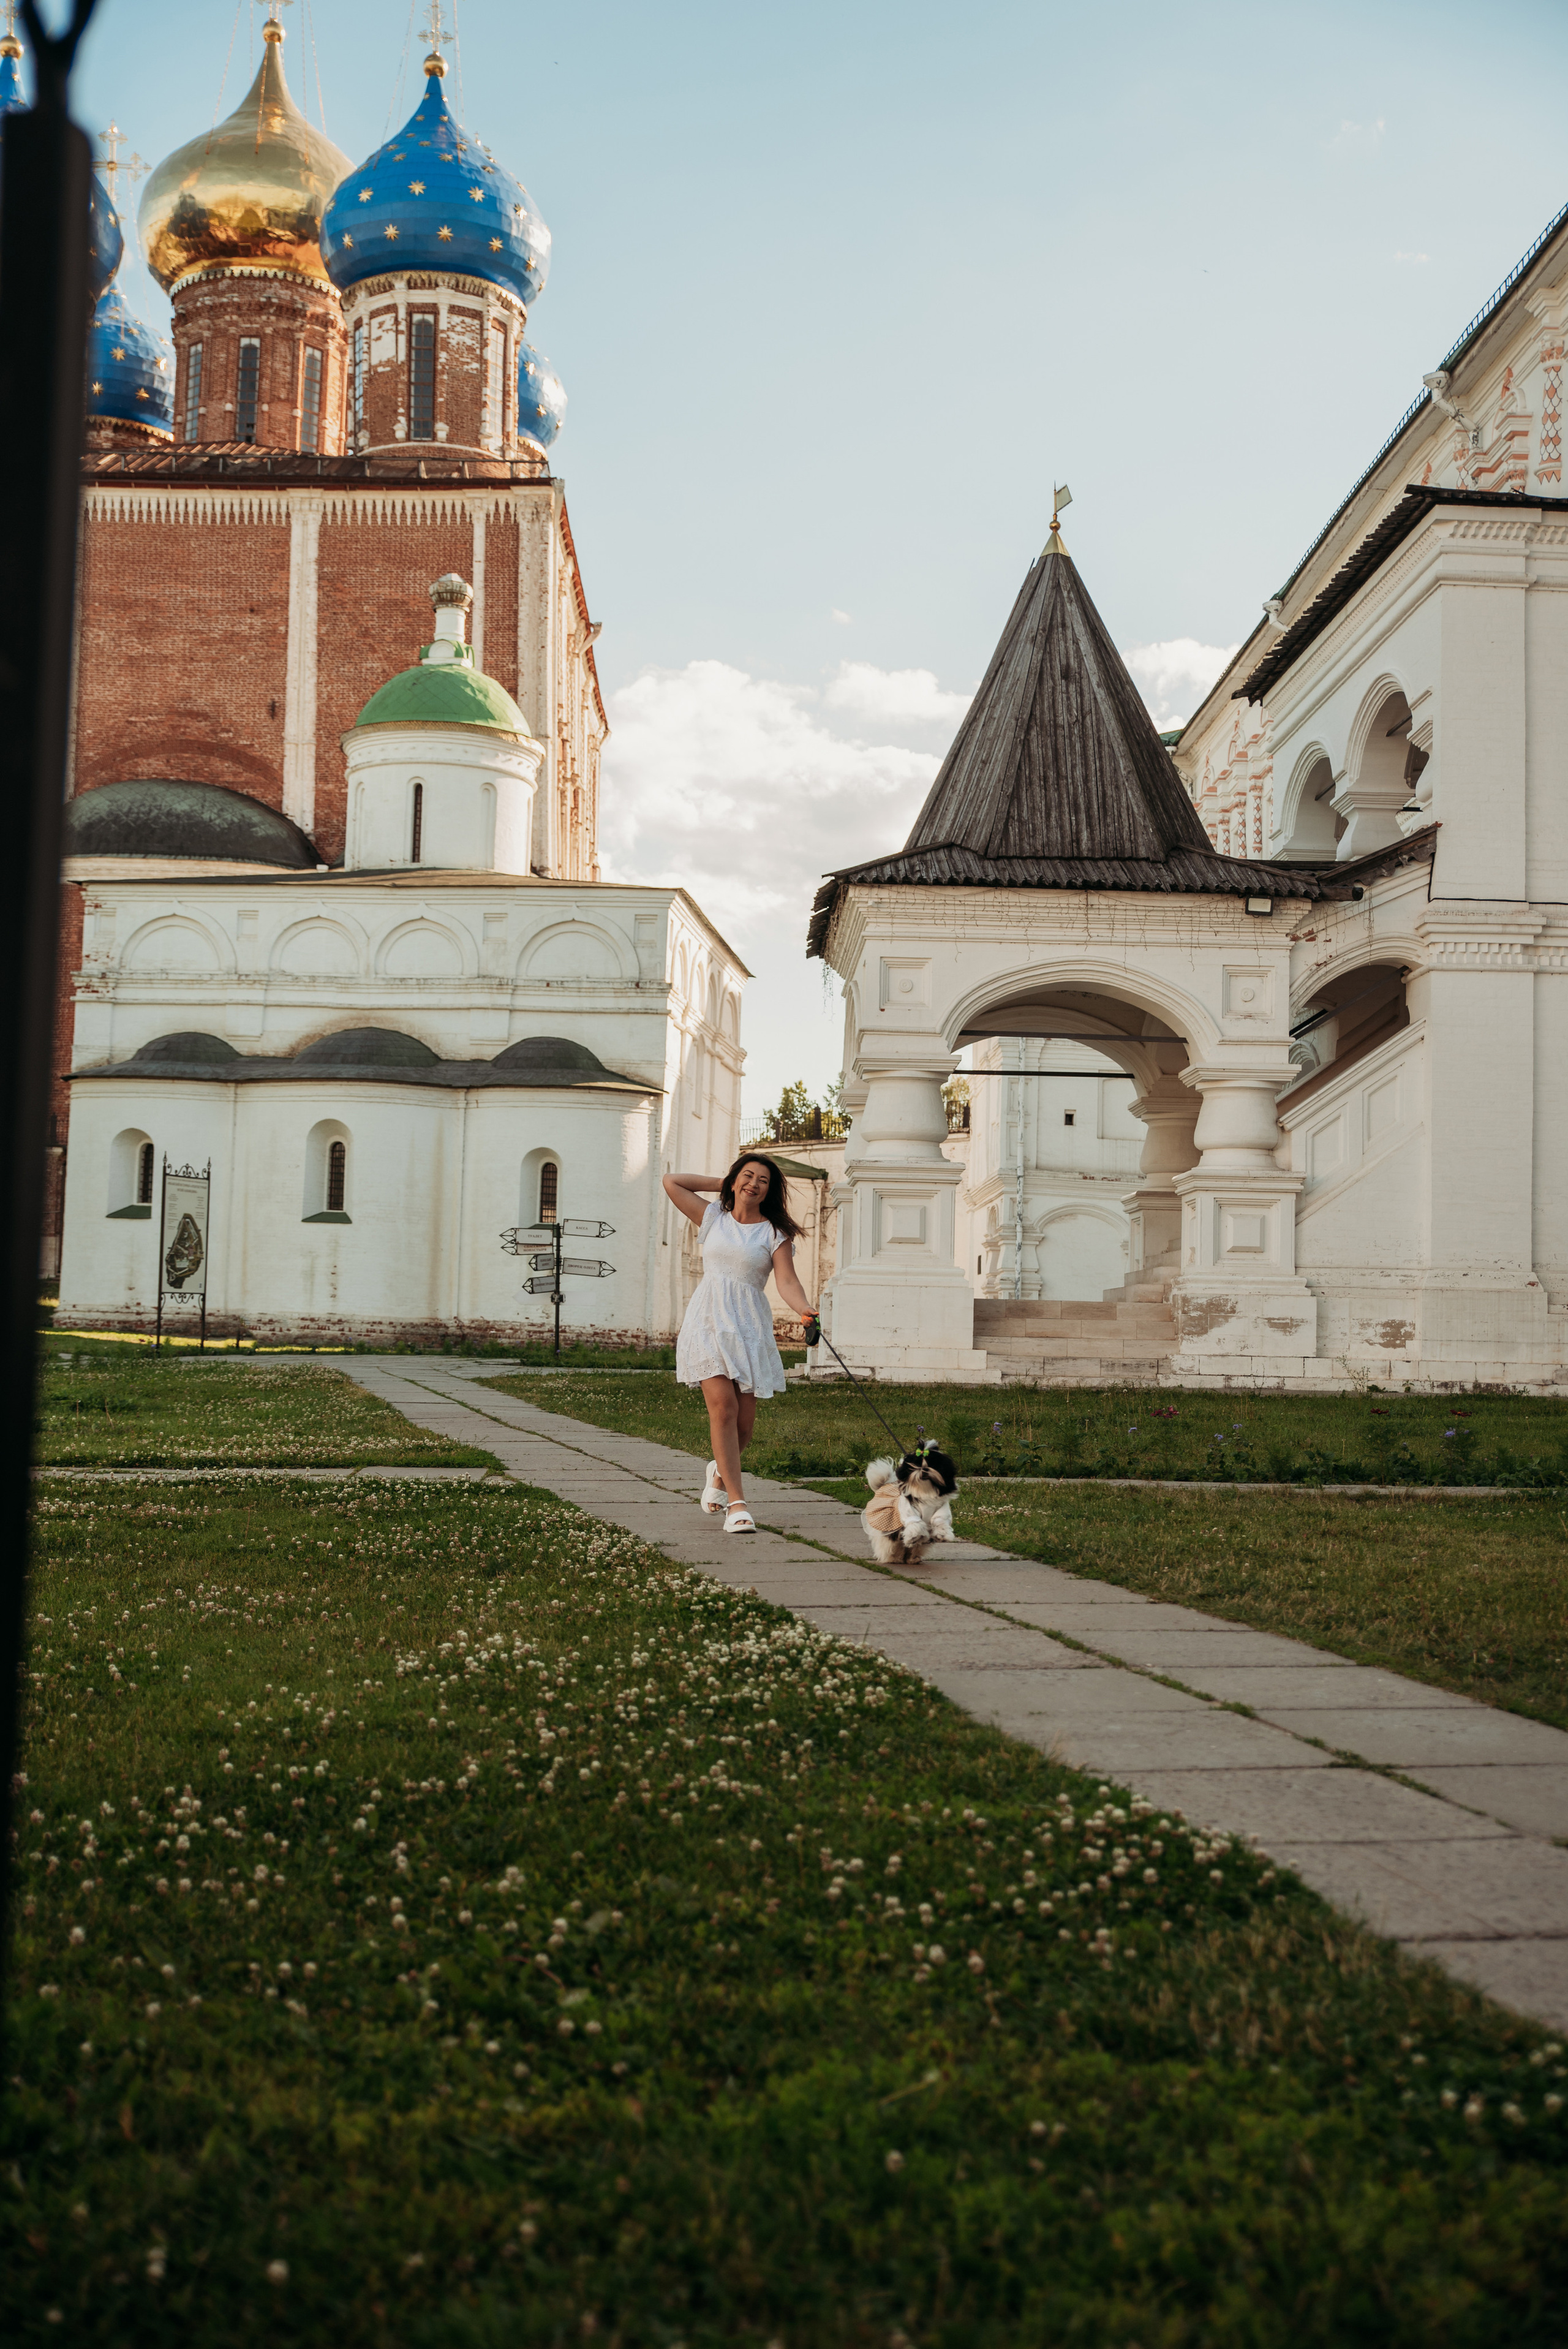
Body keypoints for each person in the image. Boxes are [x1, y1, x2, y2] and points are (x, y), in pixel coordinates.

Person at [663, 1152, 818, 1534]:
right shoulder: (713, 1216)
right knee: (724, 1408)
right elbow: (672, 1181)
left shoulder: (774, 1233)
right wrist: (729, 1183)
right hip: (708, 1320)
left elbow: (787, 1282)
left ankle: (719, 1471)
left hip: (748, 1325)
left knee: (744, 1426)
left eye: (762, 1181)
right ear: (735, 1180)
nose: (754, 1184)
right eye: (748, 1176)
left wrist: (806, 1312)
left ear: (771, 1190)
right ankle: (738, 1504)